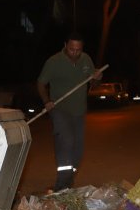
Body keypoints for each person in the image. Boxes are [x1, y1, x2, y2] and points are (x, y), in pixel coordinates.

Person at [37, 32, 102, 191]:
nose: (75, 53)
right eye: (72, 49)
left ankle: (68, 182)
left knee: (78, 149)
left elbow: (93, 84)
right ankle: (61, 186)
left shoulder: (86, 59)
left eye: (78, 49)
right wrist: (47, 101)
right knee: (66, 143)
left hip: (79, 112)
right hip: (60, 110)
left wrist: (97, 77)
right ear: (66, 45)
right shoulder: (54, 62)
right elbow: (40, 83)